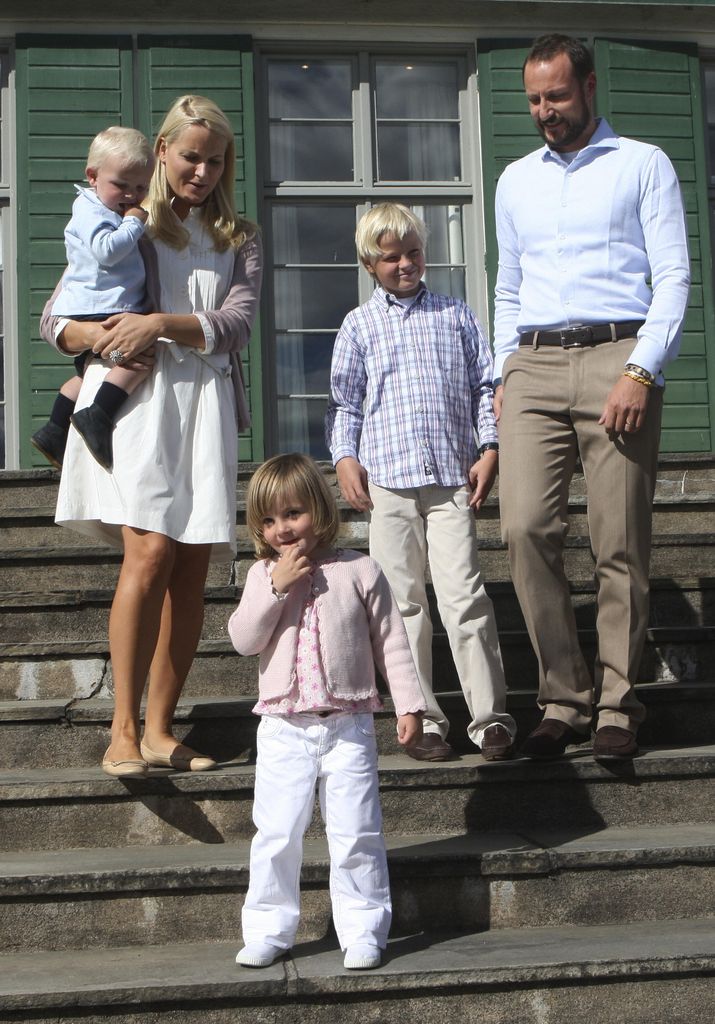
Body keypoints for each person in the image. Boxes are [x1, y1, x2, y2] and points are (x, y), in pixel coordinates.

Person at [40, 95, 263, 777]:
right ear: (163, 151)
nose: (202, 170)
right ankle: (123, 730)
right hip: (139, 402)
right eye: (190, 156)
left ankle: (162, 729)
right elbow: (55, 318)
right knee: (149, 553)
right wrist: (94, 334)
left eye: (215, 160)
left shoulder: (240, 236)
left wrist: (160, 323)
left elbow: (238, 322)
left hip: (206, 404)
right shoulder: (128, 219)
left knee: (191, 570)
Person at [493, 34, 690, 761]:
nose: (544, 110)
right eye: (534, 100)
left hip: (618, 355)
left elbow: (673, 276)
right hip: (534, 361)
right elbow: (507, 283)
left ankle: (616, 703)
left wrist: (641, 370)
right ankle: (562, 697)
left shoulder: (642, 163)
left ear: (589, 87)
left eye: (556, 95)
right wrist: (503, 372)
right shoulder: (515, 180)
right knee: (523, 529)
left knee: (618, 541)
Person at [326, 202, 516, 763]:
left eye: (413, 253)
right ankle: (423, 719)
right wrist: (344, 458)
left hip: (451, 479)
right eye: (391, 257)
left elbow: (485, 388)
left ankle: (490, 719)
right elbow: (345, 404)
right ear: (370, 264)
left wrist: (490, 448)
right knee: (403, 605)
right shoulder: (358, 326)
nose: (405, 264)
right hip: (387, 482)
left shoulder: (456, 315)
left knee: (465, 598)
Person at [228, 453, 425, 971]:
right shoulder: (262, 574)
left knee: (357, 832)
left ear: (318, 509)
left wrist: (409, 704)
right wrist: (277, 588)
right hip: (283, 728)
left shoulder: (360, 569)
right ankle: (269, 929)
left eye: (292, 513)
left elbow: (391, 643)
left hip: (348, 726)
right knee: (276, 835)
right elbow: (244, 640)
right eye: (268, 520)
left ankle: (363, 929)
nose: (282, 528)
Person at [32, 126, 155, 471]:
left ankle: (55, 428)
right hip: (101, 312)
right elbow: (106, 251)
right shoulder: (92, 211)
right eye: (121, 185)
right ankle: (98, 414)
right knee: (133, 361)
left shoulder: (105, 209)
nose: (131, 196)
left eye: (141, 188)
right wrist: (134, 224)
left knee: (90, 369)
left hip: (97, 312)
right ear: (93, 176)